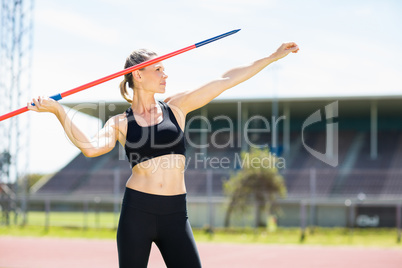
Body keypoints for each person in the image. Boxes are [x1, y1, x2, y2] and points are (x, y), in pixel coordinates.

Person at [28, 41, 299, 267]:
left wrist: (272, 57)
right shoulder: (120, 122)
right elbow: (90, 148)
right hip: (138, 213)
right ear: (138, 74)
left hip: (175, 214)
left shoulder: (176, 107)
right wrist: (58, 111)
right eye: (158, 69)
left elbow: (225, 80)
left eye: (165, 69)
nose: (165, 75)